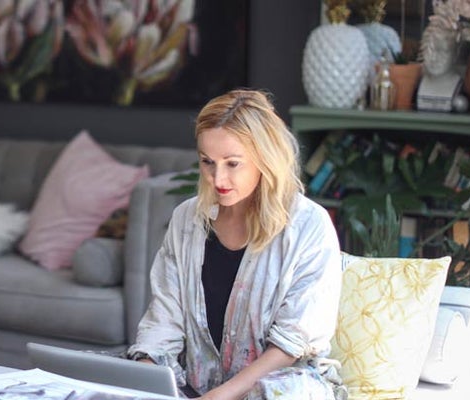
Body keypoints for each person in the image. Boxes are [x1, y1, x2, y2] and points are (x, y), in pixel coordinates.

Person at [126, 89, 344, 400]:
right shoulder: (186, 221)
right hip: (196, 387)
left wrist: (223, 395)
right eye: (207, 162)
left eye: (232, 163)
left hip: (279, 387)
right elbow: (164, 319)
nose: (218, 179)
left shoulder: (308, 225)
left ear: (264, 158)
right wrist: (147, 376)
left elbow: (292, 343)